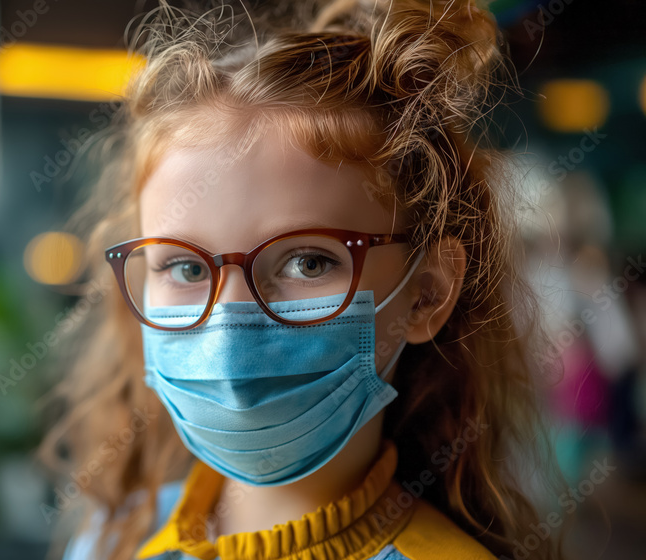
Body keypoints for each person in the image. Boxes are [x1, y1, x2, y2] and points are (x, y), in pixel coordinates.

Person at [39, 1, 567, 559]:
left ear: (426, 292)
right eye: (186, 267)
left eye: (308, 262)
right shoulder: (112, 539)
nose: (228, 326)